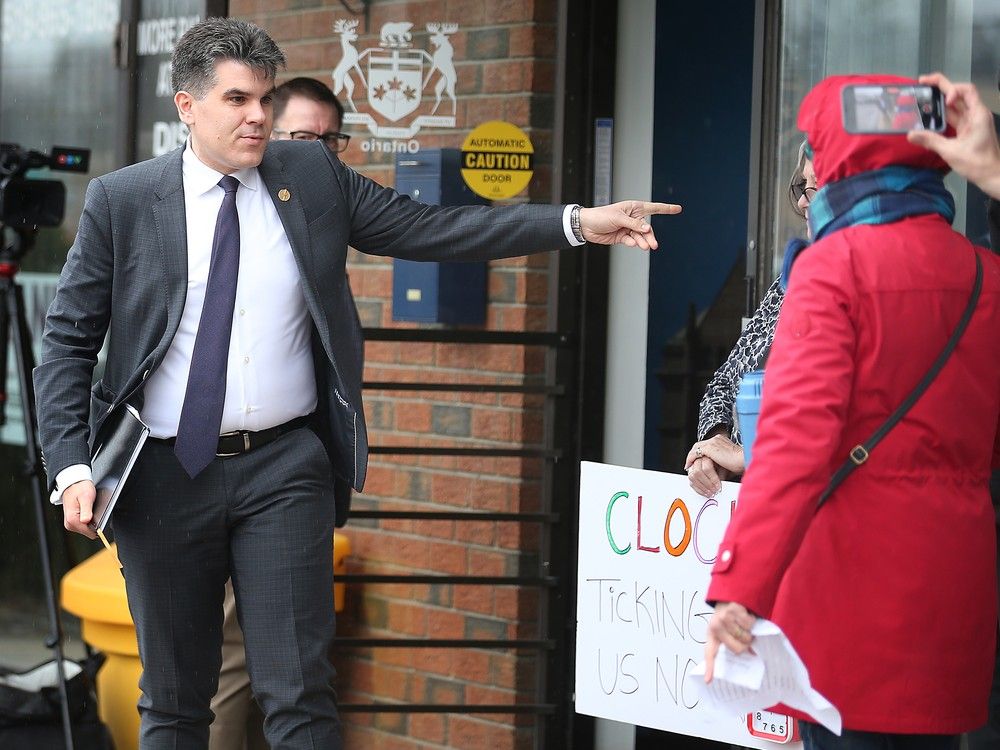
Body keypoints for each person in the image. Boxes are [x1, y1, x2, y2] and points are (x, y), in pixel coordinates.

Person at [33, 17, 680, 750]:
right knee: (177, 703)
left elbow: (433, 228)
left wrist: (573, 222)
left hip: (283, 469)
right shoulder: (124, 200)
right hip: (162, 476)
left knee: (301, 696)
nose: (258, 117)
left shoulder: (309, 177)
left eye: (266, 100)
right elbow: (68, 343)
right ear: (187, 105)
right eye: (238, 99)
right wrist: (73, 464)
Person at [702, 73, 1000, 750]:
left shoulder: (831, 268)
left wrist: (738, 588)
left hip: (850, 608)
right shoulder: (987, 274)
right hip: (954, 609)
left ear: (840, 160)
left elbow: (791, 449)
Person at [208, 74, 355, 750]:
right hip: (205, 472)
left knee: (294, 680)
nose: (319, 153)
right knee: (225, 668)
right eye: (303, 137)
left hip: (291, 473)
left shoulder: (316, 216)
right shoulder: (221, 211)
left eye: (332, 140)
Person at [684, 145, 817, 498]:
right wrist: (715, 443)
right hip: (755, 504)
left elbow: (825, 424)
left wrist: (749, 455)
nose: (804, 201)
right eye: (801, 186)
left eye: (815, 187)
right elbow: (725, 382)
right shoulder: (790, 281)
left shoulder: (859, 290)